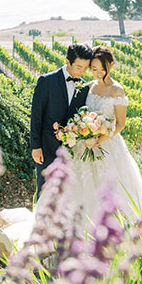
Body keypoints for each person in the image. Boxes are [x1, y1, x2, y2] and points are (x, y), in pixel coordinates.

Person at [66, 45, 142, 224]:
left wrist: (100, 138)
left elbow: (120, 124)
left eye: (102, 69)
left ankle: (115, 224)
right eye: (94, 69)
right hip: (86, 143)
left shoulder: (116, 90)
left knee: (111, 185)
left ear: (111, 65)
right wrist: (83, 132)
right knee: (84, 183)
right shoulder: (88, 86)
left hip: (108, 144)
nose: (97, 73)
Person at [30, 42, 93, 199]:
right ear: (67, 61)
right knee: (45, 192)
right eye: (79, 67)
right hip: (46, 148)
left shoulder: (84, 88)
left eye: (86, 68)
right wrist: (35, 146)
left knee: (66, 196)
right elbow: (36, 116)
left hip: (72, 151)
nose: (83, 71)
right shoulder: (46, 81)